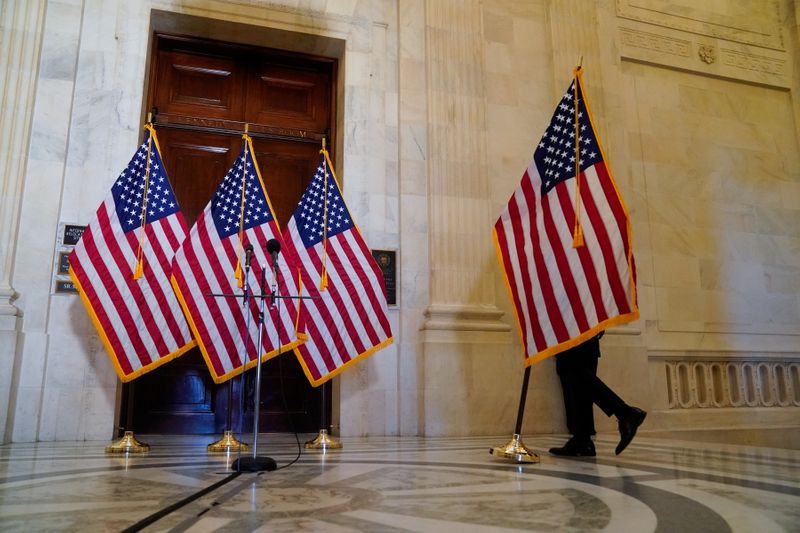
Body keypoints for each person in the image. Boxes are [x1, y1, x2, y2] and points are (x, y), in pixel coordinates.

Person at [549, 332, 646, 457]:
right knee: (578, 383)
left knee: (572, 370)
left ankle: (626, 413)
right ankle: (582, 440)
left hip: (575, 335)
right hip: (587, 335)